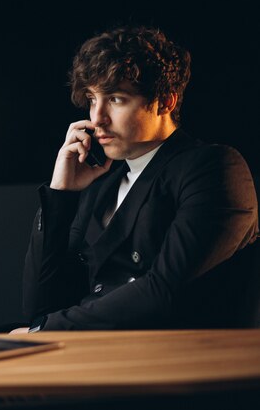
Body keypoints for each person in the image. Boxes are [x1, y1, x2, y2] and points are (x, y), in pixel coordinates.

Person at [16, 25, 259, 332]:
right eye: (92, 99)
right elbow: (40, 306)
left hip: (163, 359)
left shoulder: (214, 168)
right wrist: (60, 193)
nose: (97, 118)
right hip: (87, 348)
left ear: (165, 102)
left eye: (115, 99)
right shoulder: (100, 183)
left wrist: (46, 332)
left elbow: (162, 293)